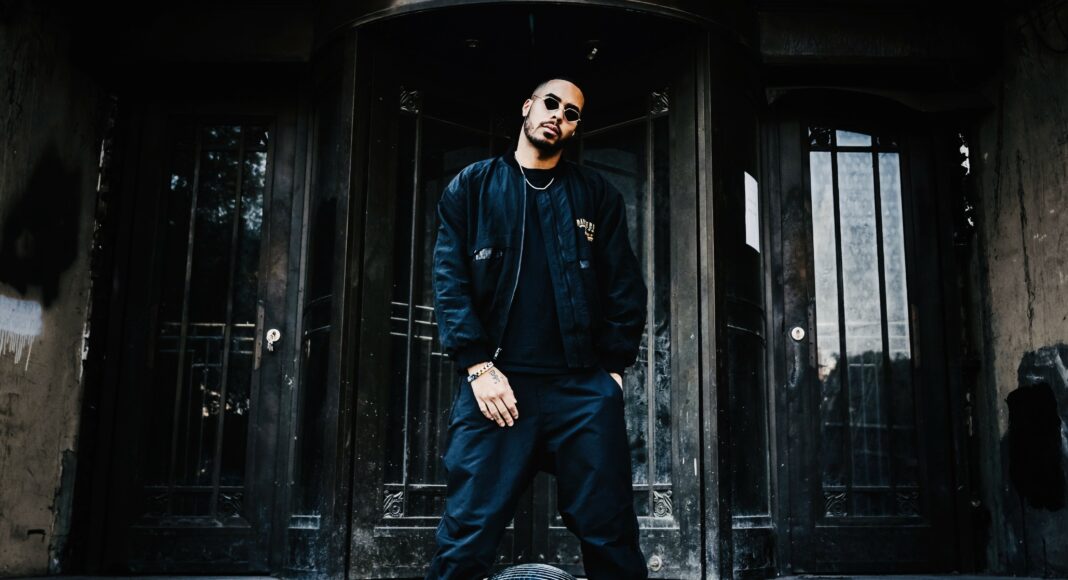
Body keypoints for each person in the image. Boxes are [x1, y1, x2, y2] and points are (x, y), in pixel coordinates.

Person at [427, 77, 648, 580]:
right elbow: (450, 282)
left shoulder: (596, 196)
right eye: (552, 104)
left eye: (572, 113)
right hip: (497, 388)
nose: (559, 116)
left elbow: (625, 288)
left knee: (610, 532)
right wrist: (478, 366)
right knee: (465, 536)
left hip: (580, 388)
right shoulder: (473, 186)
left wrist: (610, 371)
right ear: (528, 106)